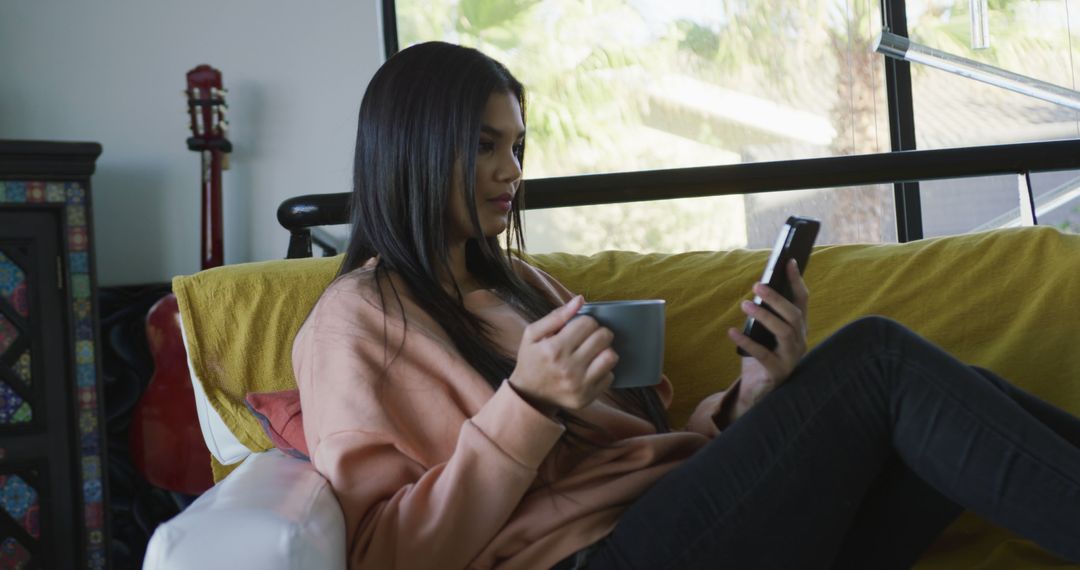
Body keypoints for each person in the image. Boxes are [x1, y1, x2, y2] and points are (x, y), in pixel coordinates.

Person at [292, 41, 1080, 570]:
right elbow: (380, 553)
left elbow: (643, 446)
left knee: (949, 413)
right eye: (485, 145)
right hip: (593, 556)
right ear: (414, 148)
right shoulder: (354, 322)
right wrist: (527, 403)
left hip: (676, 521)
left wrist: (750, 400)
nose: (512, 171)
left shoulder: (523, 287)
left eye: (518, 146)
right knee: (877, 360)